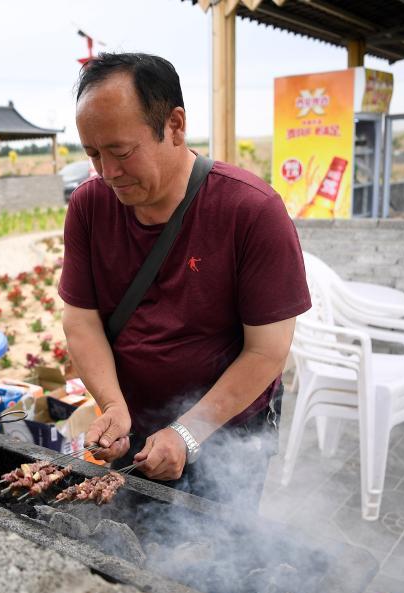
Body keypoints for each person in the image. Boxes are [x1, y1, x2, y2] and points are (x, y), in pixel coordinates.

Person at [57, 52, 311, 511]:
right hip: (130, 430)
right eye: (93, 154)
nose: (107, 172)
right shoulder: (89, 207)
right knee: (128, 553)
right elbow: (81, 320)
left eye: (120, 151)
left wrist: (188, 433)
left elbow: (267, 351)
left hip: (226, 433)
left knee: (213, 565)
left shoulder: (251, 211)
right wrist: (112, 406)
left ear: (174, 126)